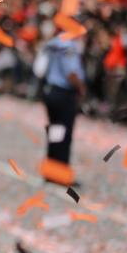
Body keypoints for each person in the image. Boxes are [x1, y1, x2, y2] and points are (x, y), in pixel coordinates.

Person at [40, 32, 86, 181]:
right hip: (63, 93)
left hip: (51, 90)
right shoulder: (68, 45)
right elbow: (71, 73)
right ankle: (59, 174)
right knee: (64, 136)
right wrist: (81, 88)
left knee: (55, 133)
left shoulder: (55, 42)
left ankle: (51, 171)